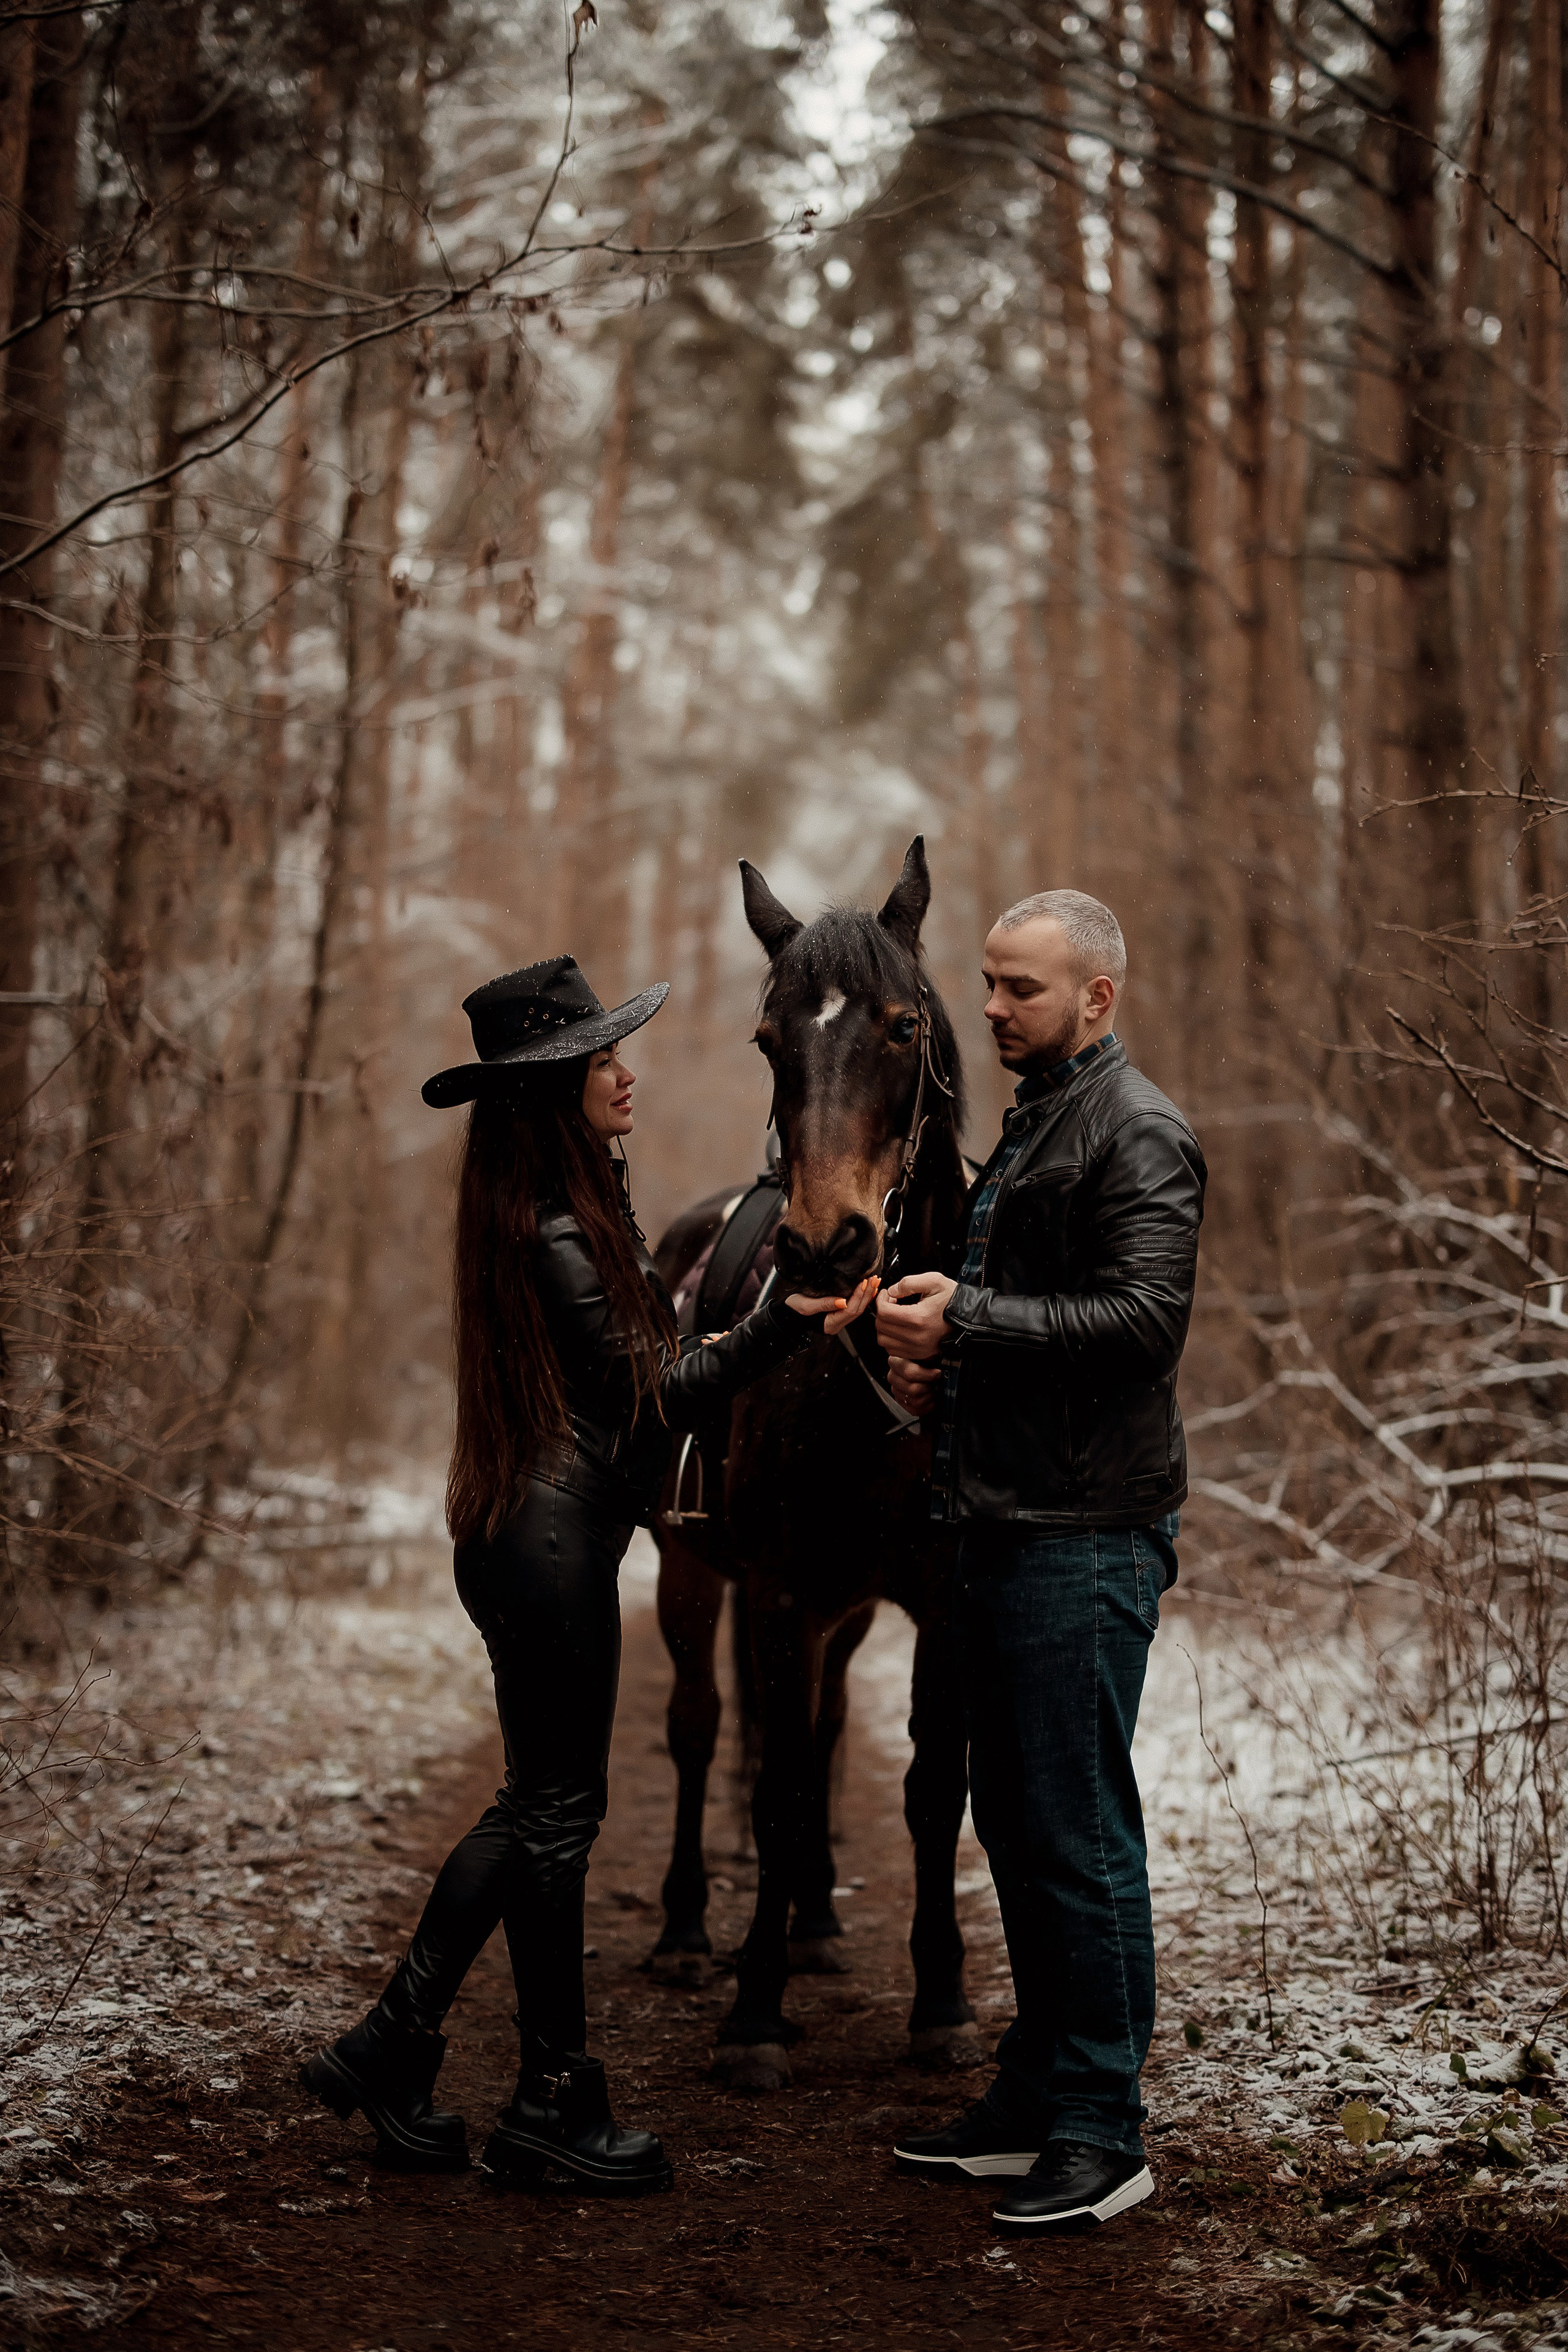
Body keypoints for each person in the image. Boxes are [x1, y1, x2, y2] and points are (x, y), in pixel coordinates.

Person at [301, 956, 875, 2196]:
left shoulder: (557, 1203)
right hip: (545, 1546)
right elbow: (653, 1389)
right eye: (605, 1059)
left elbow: (645, 1362)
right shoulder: (551, 1223)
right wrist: (784, 1320)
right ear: (557, 1087)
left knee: (540, 1813)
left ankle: (425, 2055)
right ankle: (530, 2092)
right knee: (551, 1816)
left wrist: (757, 1322)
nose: (628, 1074)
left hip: (534, 1534)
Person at [875, 891, 1205, 2236]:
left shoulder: (1137, 1130)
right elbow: (1020, 1334)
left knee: (1076, 1830)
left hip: (1085, 1538)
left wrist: (974, 1317)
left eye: (1020, 989)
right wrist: (919, 1356)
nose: (993, 1009)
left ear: (1098, 997)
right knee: (1011, 1821)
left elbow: (1141, 1323)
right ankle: (1030, 2100)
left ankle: (1097, 2127)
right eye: (990, 986)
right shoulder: (1034, 1123)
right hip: (1006, 1526)